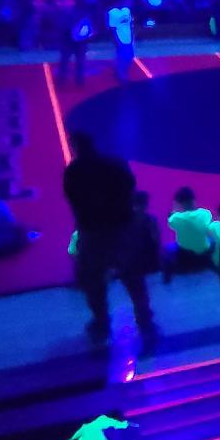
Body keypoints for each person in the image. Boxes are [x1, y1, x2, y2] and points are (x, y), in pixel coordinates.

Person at [63, 128, 145, 346]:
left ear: (75, 147)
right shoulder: (115, 164)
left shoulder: (74, 171)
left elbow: (72, 198)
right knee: (133, 278)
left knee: (93, 281)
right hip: (122, 227)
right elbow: (130, 185)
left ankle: (101, 321)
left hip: (92, 231)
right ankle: (144, 317)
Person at [165, 187, 219, 278]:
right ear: (194, 200)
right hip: (205, 254)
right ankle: (211, 263)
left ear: (179, 202)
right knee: (212, 239)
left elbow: (170, 221)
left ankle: (170, 274)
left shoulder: (176, 218)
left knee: (168, 247)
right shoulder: (205, 213)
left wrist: (175, 207)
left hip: (185, 256)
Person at [109, 2, 136, 82]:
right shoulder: (112, 12)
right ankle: (121, 76)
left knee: (130, 57)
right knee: (122, 58)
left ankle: (122, 73)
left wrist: (132, 37)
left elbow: (130, 25)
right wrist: (117, 41)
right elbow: (112, 29)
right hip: (120, 39)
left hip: (128, 38)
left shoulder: (127, 10)